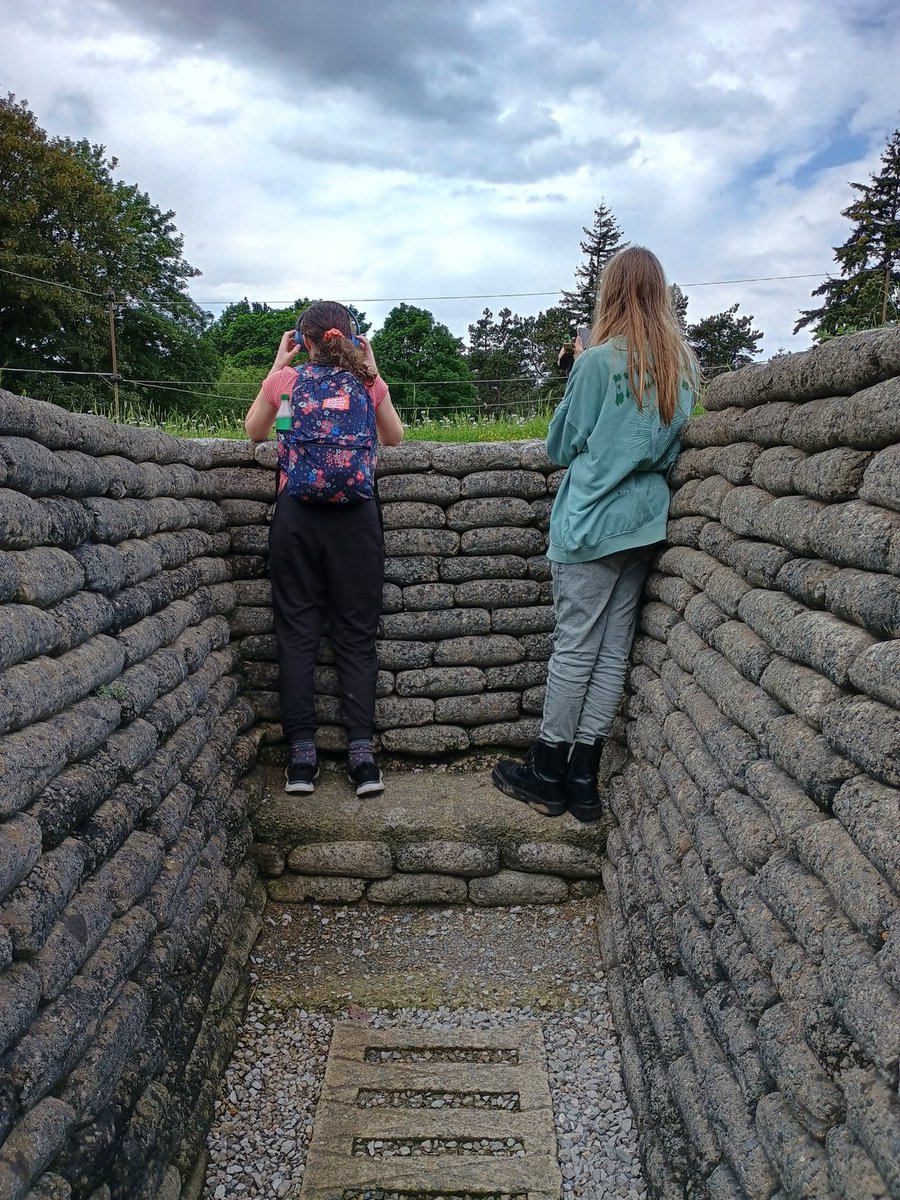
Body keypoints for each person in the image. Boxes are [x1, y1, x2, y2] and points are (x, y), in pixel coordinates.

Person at [492, 247, 698, 822]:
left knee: (575, 643)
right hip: (644, 521)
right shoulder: (680, 368)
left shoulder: (598, 361)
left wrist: (577, 371)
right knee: (612, 649)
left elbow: (561, 445)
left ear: (611, 293)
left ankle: (547, 767)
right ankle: (585, 777)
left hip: (591, 520)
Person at [244, 300, 404, 797]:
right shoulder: (366, 384)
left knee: (297, 636)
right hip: (356, 522)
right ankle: (362, 759)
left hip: (297, 518)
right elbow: (394, 439)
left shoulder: (288, 384)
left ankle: (301, 760)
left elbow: (258, 431)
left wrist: (278, 366)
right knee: (356, 637)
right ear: (352, 340)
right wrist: (370, 369)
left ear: (303, 340)